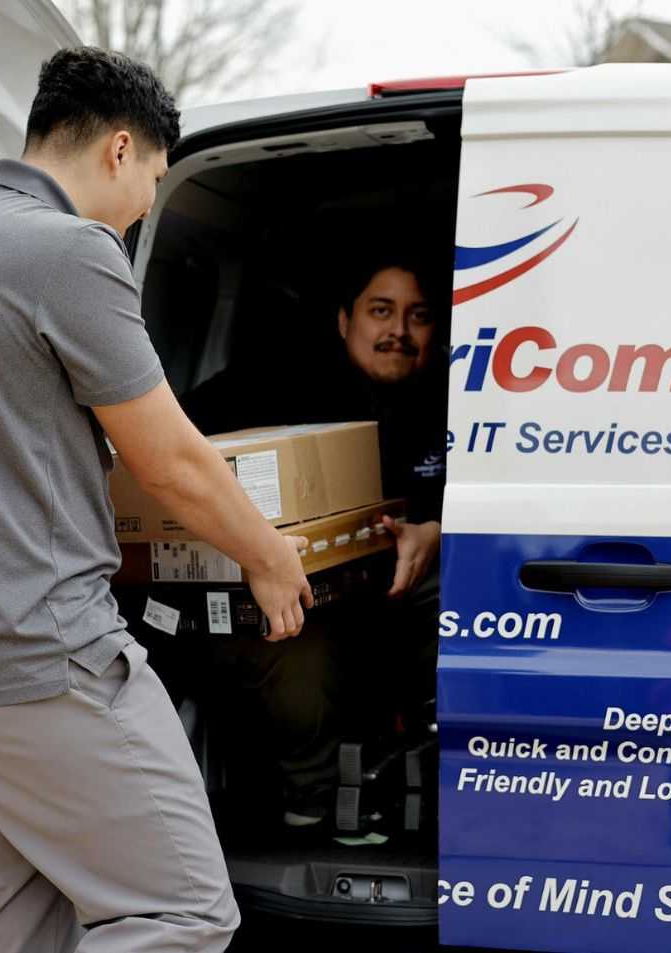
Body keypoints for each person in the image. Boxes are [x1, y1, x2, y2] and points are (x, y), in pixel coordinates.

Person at [0, 47, 313, 953]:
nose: (149, 203)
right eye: (156, 176)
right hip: (42, 656)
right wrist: (270, 556)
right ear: (121, 148)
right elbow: (172, 463)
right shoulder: (69, 250)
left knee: (22, 931)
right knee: (186, 912)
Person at [182, 253, 447, 827]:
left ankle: (447, 797)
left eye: (418, 316)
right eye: (382, 311)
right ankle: (314, 811)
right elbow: (174, 453)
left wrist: (438, 532)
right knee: (290, 654)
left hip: (408, 600)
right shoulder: (278, 383)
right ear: (345, 320)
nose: (398, 331)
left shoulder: (465, 405)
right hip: (297, 596)